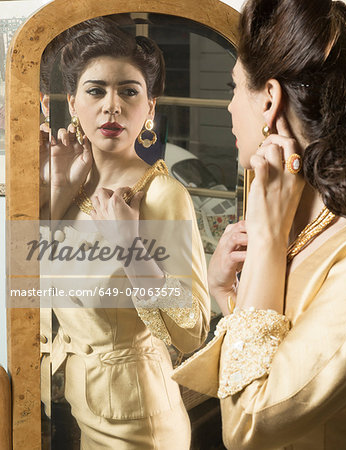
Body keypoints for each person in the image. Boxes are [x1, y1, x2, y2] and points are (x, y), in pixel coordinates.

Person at [172, 1, 346, 449]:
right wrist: (228, 296)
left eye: (233, 88)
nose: (228, 106)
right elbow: (263, 361)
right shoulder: (299, 218)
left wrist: (267, 243)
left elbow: (248, 427)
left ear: (270, 100)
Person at [39, 17, 210, 449]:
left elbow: (193, 331)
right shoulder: (67, 185)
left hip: (139, 425)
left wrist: (132, 249)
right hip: (71, 408)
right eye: (95, 90)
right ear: (73, 104)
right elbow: (22, 281)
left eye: (128, 92)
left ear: (150, 107)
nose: (111, 106)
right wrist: (57, 195)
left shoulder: (163, 196)